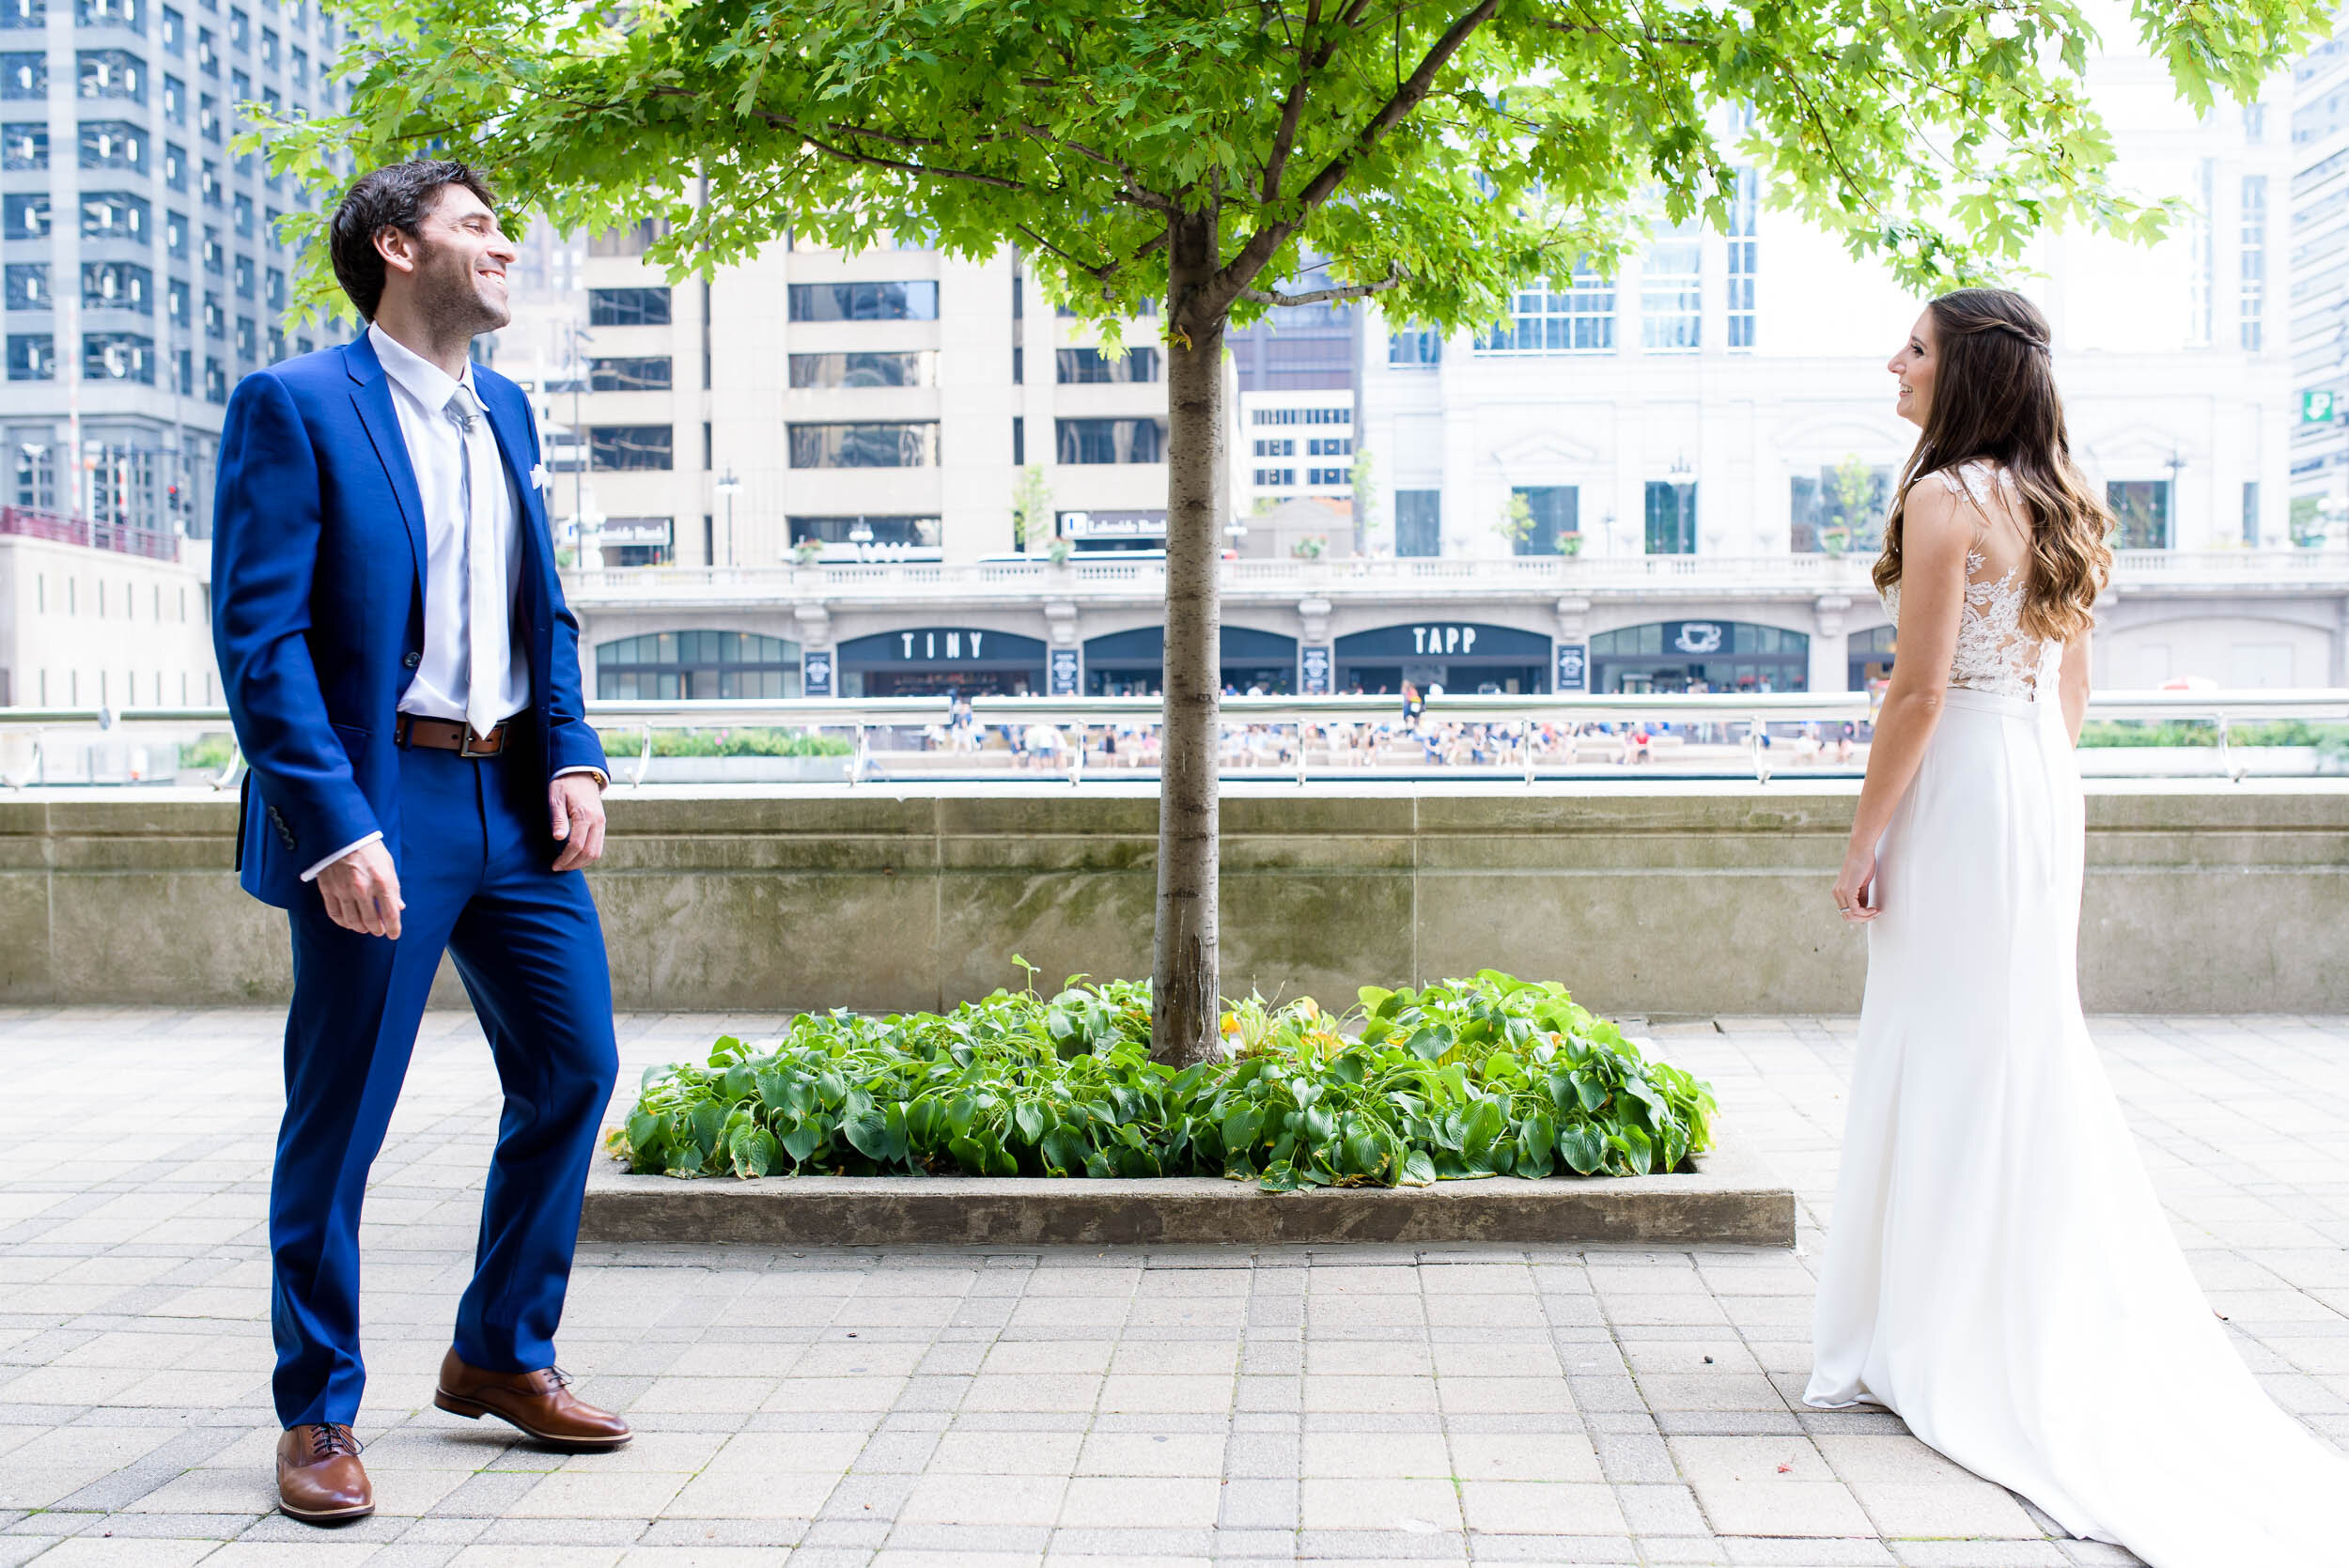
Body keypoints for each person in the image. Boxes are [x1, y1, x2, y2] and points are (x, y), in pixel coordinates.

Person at [1809, 287, 2348, 1563]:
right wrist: (2037, 804)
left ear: (1967, 372)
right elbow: (2077, 681)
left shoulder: (1944, 501)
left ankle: (1933, 1325)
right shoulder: (2061, 493)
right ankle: (1981, 1306)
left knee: (1946, 1046)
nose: (1895, 360)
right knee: (2017, 1046)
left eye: (1917, 347)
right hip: (2041, 784)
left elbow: (1920, 689)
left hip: (1966, 787)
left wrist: (1864, 836)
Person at [210, 160, 631, 1526]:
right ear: (399, 248)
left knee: (576, 1065)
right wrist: (332, 826)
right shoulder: (296, 406)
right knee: (342, 1114)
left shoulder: (504, 409)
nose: (504, 245)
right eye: (476, 226)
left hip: (514, 798)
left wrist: (573, 751)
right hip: (382, 800)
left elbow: (543, 610)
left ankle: (502, 1350)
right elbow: (260, 641)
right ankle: (315, 1409)